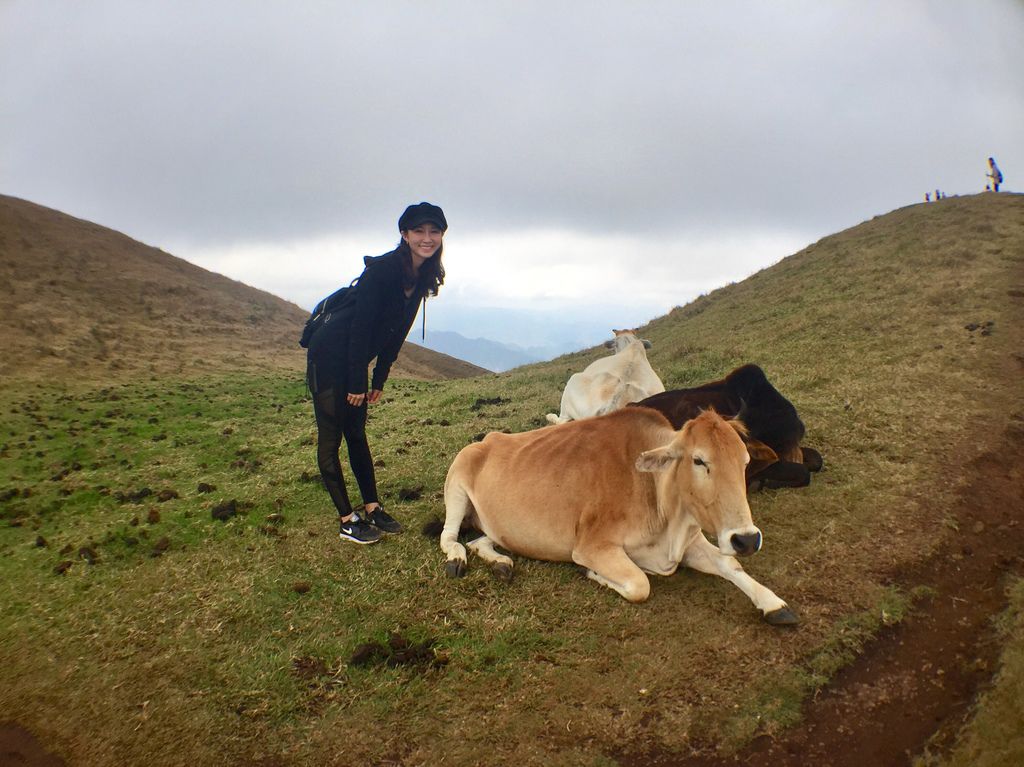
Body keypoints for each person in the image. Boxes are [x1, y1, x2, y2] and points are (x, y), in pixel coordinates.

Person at [306, 202, 447, 544]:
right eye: (419, 231)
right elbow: (359, 328)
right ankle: (346, 519)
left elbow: (397, 333)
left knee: (356, 431)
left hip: (355, 356)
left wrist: (379, 378)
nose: (427, 238)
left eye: (434, 231)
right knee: (332, 435)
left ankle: (372, 507)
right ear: (404, 234)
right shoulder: (382, 271)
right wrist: (358, 381)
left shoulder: (424, 274)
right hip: (329, 354)